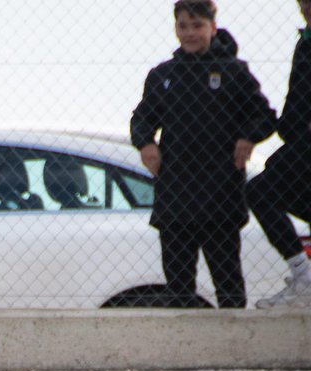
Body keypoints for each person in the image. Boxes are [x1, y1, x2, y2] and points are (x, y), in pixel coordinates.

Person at [130, 1, 277, 308]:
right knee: (178, 286)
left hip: (220, 194)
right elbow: (142, 118)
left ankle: (234, 346)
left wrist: (248, 138)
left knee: (228, 282)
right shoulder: (163, 75)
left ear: (212, 27)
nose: (189, 33)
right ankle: (183, 347)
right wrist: (145, 143)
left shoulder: (233, 71)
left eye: (196, 26)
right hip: (175, 194)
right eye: (183, 26)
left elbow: (264, 115)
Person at [248, 0, 311, 308]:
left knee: (261, 188)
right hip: (302, 143)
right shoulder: (305, 43)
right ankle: (304, 276)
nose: (307, 8)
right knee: (263, 190)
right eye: (304, 2)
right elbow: (296, 104)